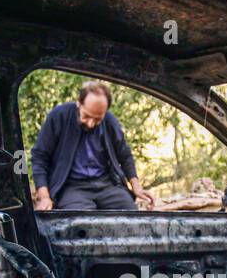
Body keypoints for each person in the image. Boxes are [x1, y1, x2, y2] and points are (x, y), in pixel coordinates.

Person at [31, 81, 154, 211]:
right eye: (87, 116)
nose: (90, 124)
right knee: (81, 223)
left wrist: (136, 187)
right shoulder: (59, 116)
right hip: (72, 187)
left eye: (97, 119)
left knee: (130, 214)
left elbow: (124, 154)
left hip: (107, 185)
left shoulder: (109, 121)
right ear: (79, 103)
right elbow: (39, 157)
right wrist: (44, 196)